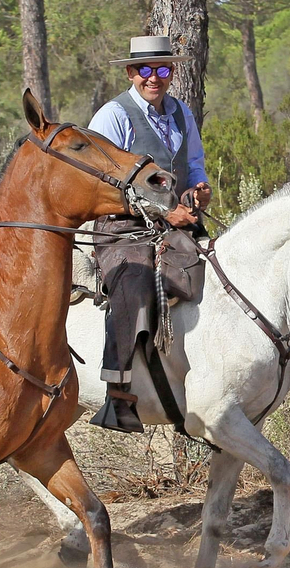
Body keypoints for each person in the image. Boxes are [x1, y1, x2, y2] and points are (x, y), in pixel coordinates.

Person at [86, 35, 214, 433]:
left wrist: (199, 190)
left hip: (176, 220)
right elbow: (101, 184)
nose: (153, 77)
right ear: (131, 72)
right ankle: (118, 394)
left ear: (172, 73)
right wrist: (163, 210)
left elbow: (193, 164)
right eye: (145, 70)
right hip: (121, 226)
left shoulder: (180, 113)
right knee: (135, 284)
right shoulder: (113, 116)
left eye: (162, 69)